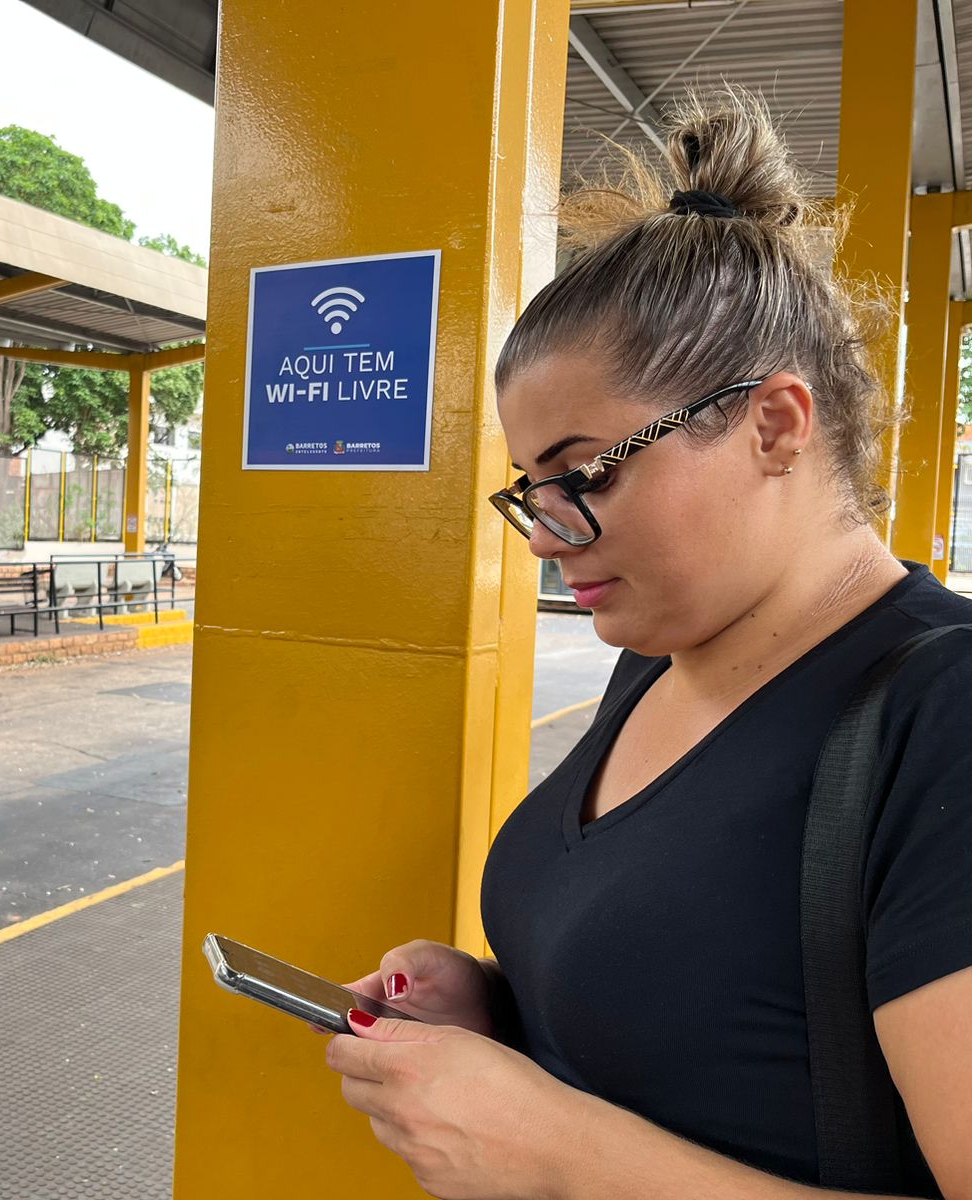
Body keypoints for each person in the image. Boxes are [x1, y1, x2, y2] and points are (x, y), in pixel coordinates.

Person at [324, 89, 972, 1199]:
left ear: (774, 422)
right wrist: (500, 1007)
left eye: (582, 476)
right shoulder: (661, 657)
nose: (546, 537)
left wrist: (560, 1157)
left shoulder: (942, 714)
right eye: (530, 492)